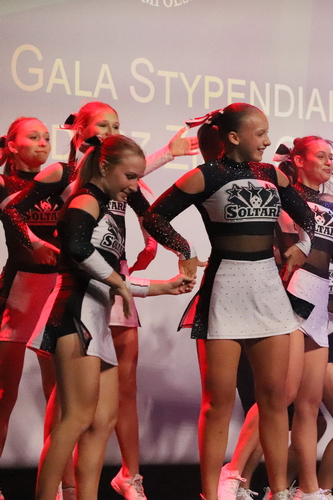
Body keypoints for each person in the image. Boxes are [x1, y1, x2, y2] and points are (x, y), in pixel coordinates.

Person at [6, 101, 198, 500]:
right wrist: (39, 246)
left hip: (100, 315)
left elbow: (125, 260)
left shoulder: (111, 199)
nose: (135, 186)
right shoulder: (82, 197)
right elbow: (77, 250)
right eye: (130, 177)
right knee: (73, 417)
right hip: (74, 314)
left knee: (102, 419)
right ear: (105, 164)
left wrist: (166, 278)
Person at [143, 103, 316, 500]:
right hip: (224, 291)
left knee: (274, 401)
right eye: (261, 134)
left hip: (269, 293)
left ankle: (279, 492)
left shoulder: (272, 174)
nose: (268, 141)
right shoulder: (205, 176)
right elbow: (154, 216)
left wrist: (303, 246)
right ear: (234, 137)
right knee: (217, 403)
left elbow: (308, 217)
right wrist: (184, 250)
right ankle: (210, 494)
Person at [217, 138, 333, 500]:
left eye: (331, 157)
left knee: (309, 408)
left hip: (323, 307)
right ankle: (234, 472)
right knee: (282, 394)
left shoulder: (328, 204)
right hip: (291, 298)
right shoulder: (282, 195)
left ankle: (308, 490)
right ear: (298, 161)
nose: (329, 162)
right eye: (321, 156)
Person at [0, 117, 58, 500]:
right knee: (5, 394)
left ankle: (59, 486)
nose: (42, 143)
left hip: (57, 290)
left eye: (47, 137)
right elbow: (11, 212)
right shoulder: (4, 184)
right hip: (19, 292)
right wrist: (34, 243)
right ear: (12, 144)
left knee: (59, 395)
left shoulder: (59, 181)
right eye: (33, 137)